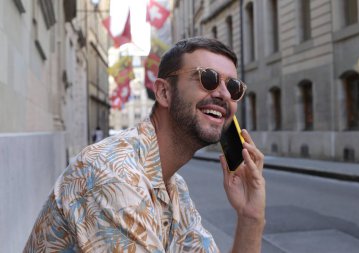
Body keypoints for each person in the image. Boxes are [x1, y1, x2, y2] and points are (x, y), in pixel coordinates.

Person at [24, 37, 266, 252]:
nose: (224, 94)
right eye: (208, 78)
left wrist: (250, 216)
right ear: (163, 93)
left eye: (233, 87)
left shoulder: (173, 186)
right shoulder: (114, 174)